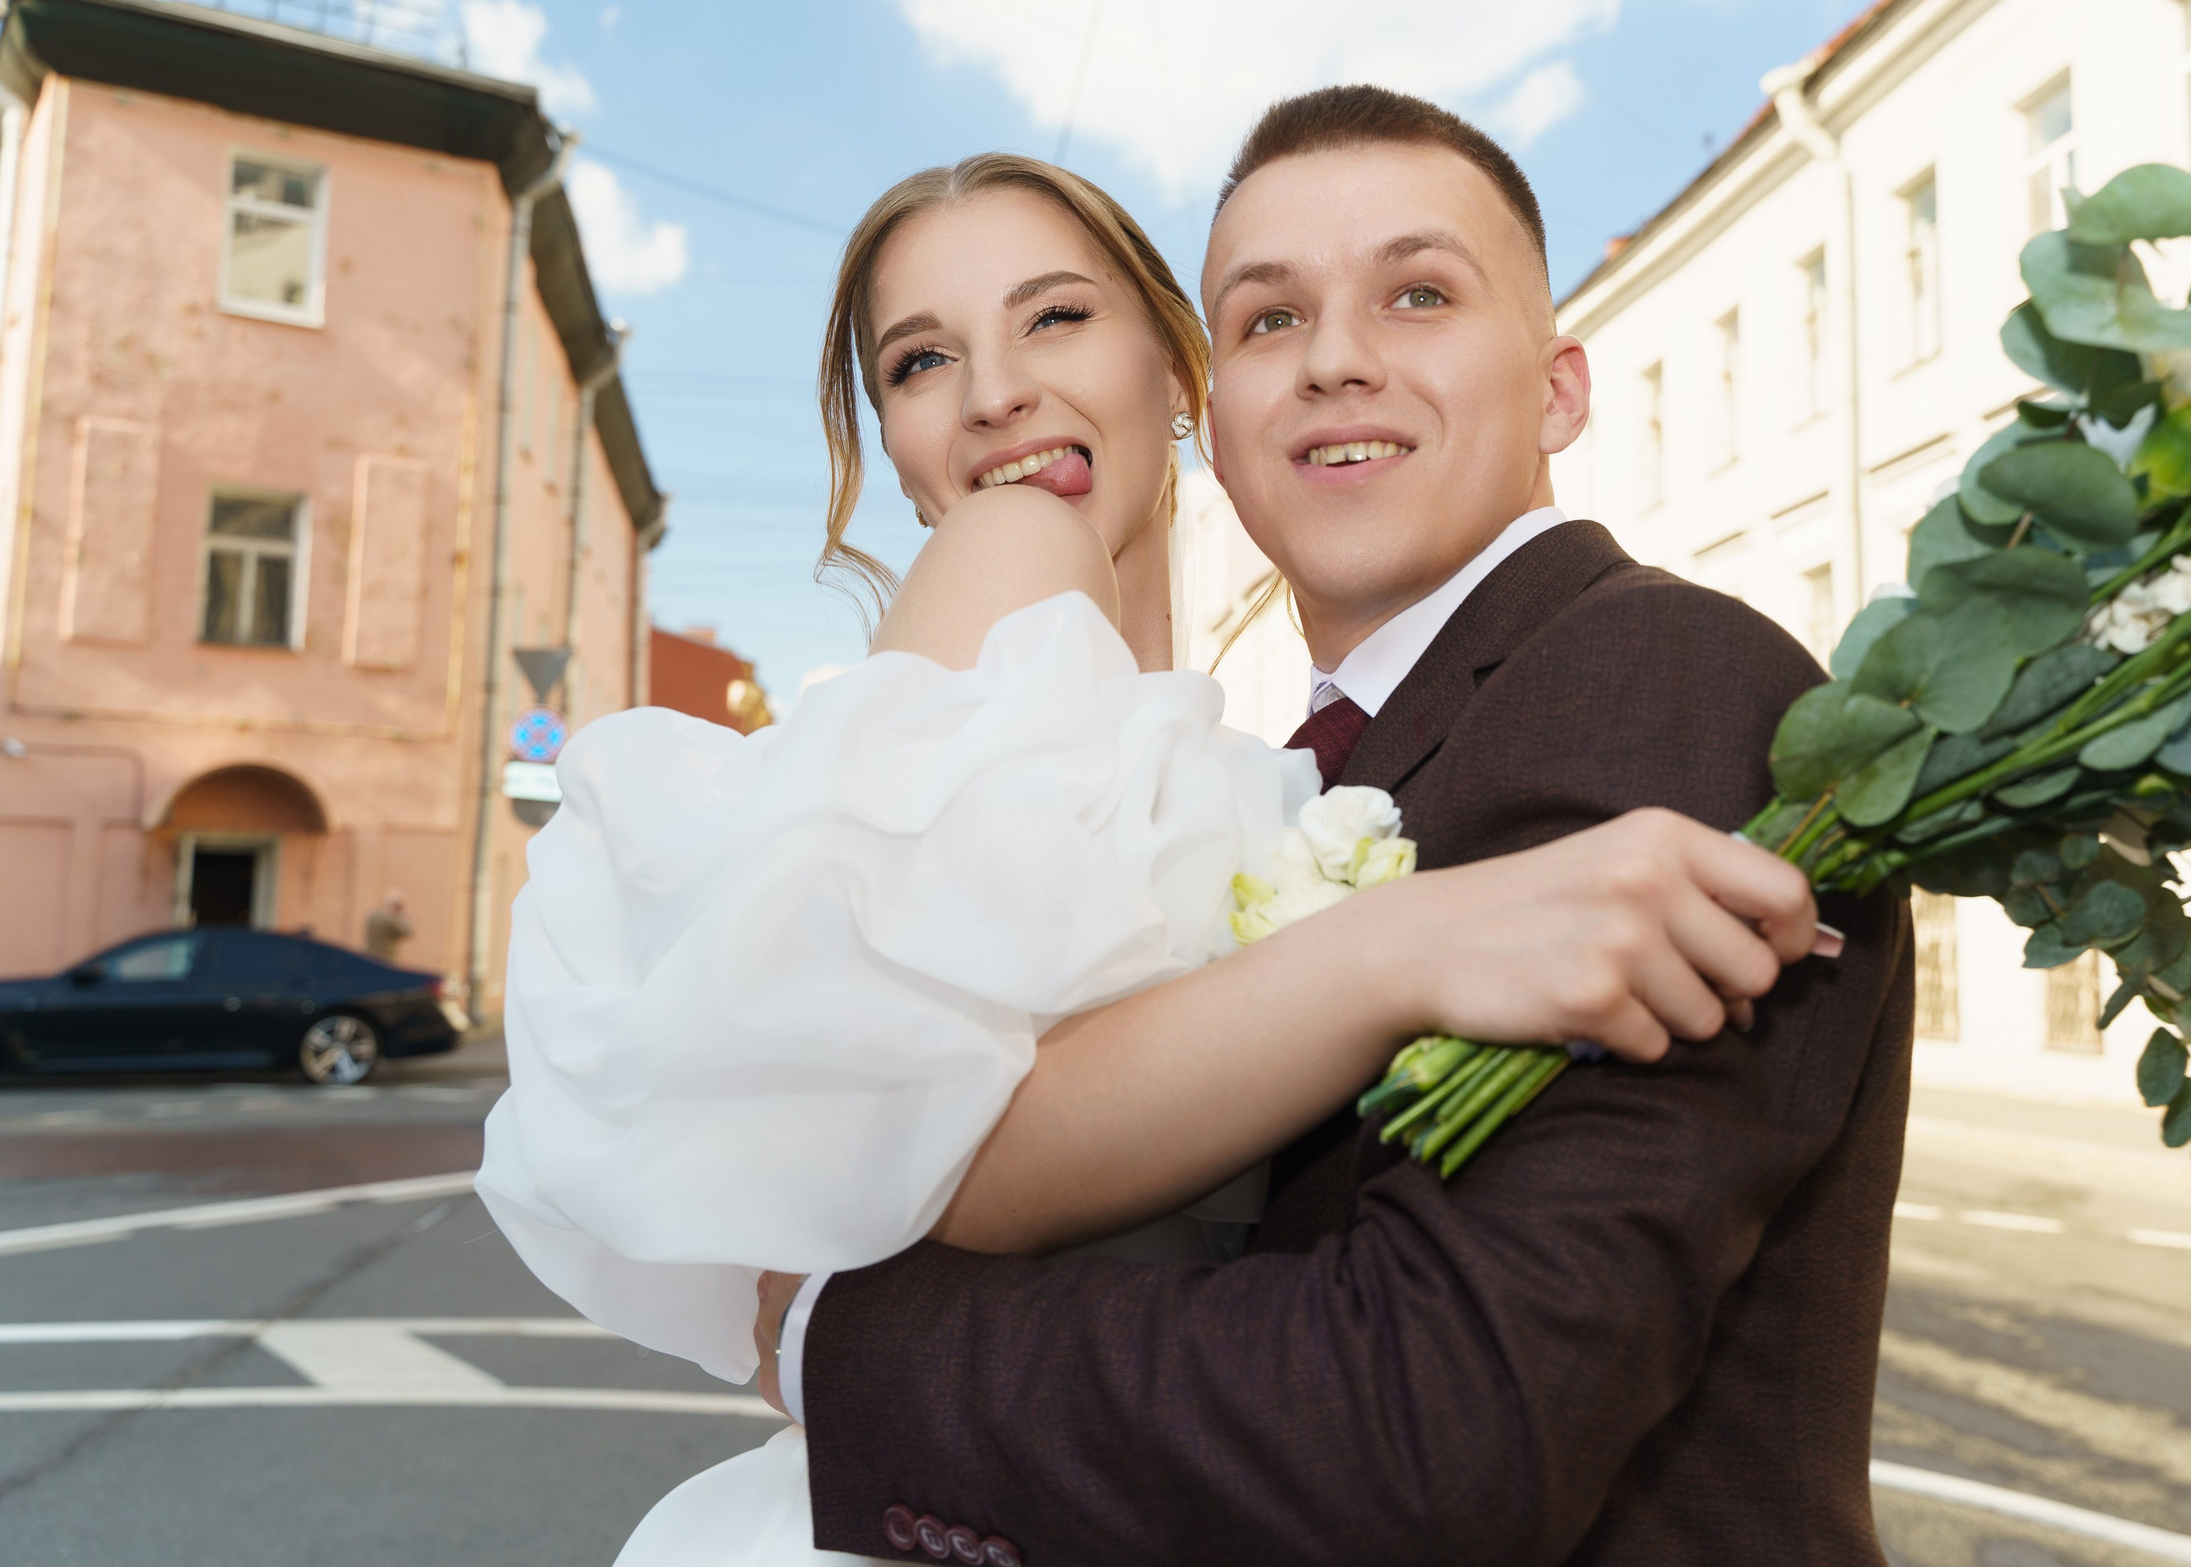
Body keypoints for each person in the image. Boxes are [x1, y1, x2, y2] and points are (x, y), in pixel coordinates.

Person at [475, 146, 1830, 1562]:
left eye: (1053, 317)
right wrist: (1383, 948)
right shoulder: (1014, 562)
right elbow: (897, 1143)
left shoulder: (1497, 702)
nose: (995, 391)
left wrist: (840, 1335)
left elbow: (1446, 1389)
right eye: (922, 359)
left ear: (1174, 377)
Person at [362, 889, 413, 962]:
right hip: (385, 960)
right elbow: (408, 931)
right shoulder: (390, 920)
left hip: (369, 956)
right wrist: (403, 916)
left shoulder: (373, 916)